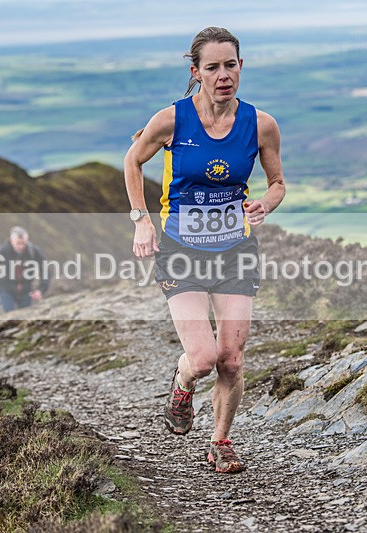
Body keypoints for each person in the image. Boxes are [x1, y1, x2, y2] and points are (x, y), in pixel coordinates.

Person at [123, 27, 286, 473]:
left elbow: (277, 184)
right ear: (196, 73)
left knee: (231, 359)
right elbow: (133, 161)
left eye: (230, 65)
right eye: (212, 67)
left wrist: (264, 205)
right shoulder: (172, 120)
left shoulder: (261, 124)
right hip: (181, 250)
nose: (223, 75)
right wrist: (141, 220)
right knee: (203, 358)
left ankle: (221, 441)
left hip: (235, 250)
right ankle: (182, 383)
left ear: (240, 67)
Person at [0, 226, 50, 312]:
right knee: (10, 317)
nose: (21, 246)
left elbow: (45, 269)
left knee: (26, 317)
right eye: (18, 243)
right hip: (6, 290)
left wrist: (41, 290)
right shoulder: (2, 251)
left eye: (24, 243)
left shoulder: (33, 251)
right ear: (11, 240)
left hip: (26, 291)